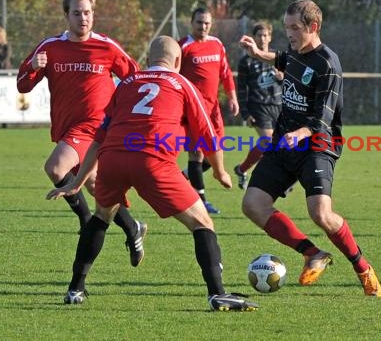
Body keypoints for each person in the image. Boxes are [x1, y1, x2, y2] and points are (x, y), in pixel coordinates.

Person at [46, 36, 259, 311]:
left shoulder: (125, 83)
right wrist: (220, 172)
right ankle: (217, 293)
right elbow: (208, 136)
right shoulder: (183, 83)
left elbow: (99, 138)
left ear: (148, 59)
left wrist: (77, 180)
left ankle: (75, 289)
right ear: (179, 61)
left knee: (101, 217)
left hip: (112, 158)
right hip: (153, 161)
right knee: (202, 222)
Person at [239, 0, 381, 297]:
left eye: (294, 28)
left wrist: (301, 133)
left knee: (321, 214)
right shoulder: (295, 52)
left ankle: (362, 266)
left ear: (312, 27)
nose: (288, 33)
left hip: (317, 144)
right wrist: (257, 53)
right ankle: (312, 253)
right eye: (286, 27)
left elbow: (323, 119)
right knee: (252, 204)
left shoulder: (329, 65)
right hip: (285, 142)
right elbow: (283, 59)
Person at [17, 0, 147, 267]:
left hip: (94, 127)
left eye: (87, 13)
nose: (83, 18)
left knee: (55, 168)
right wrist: (31, 65)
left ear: (93, 14)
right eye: (77, 13)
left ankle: (87, 220)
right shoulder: (50, 47)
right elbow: (23, 85)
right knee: (96, 186)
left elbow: (135, 78)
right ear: (66, 16)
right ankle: (133, 228)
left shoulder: (107, 46)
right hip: (66, 127)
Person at [178, 7, 239, 214]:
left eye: (206, 23)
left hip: (213, 110)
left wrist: (232, 97)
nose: (203, 26)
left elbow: (225, 72)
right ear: (191, 23)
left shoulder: (216, 44)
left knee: (216, 153)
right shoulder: (183, 46)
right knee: (196, 155)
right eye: (199, 22)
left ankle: (185, 175)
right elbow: (173, 75)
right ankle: (201, 200)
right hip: (192, 110)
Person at [234, 21, 283, 189]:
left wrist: (282, 78)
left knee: (279, 145)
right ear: (254, 38)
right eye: (259, 35)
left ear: (270, 37)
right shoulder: (246, 62)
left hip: (278, 105)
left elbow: (292, 84)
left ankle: (241, 169)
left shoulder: (277, 58)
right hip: (258, 106)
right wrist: (245, 114)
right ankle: (271, 179)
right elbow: (241, 89)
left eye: (265, 35)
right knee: (268, 141)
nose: (262, 38)